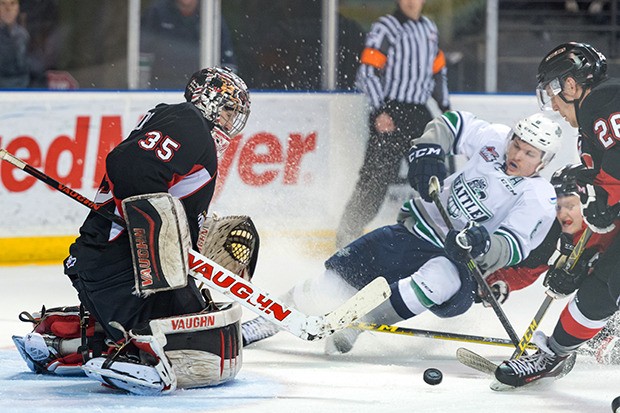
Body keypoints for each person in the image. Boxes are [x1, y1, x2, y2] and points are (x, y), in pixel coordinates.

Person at [12, 67, 253, 395]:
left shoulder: (186, 130)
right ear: (209, 100)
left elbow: (154, 191)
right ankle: (135, 354)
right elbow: (128, 166)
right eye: (228, 110)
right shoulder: (190, 121)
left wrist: (187, 234)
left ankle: (63, 343)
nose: (229, 122)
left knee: (203, 323)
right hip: (120, 271)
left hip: (107, 268)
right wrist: (153, 227)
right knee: (206, 345)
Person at [242, 110, 562, 353]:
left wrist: (481, 244)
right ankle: (266, 319)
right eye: (517, 145)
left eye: (529, 153)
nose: (517, 155)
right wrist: (428, 150)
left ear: (543, 161)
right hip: (416, 230)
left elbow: (513, 245)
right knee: (335, 277)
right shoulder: (496, 138)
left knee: (436, 281)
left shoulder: (539, 196)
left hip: (457, 259)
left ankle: (357, 322)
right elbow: (452, 123)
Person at [494, 42, 620, 388]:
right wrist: (582, 259)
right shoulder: (593, 129)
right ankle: (554, 354)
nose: (552, 103)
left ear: (572, 85)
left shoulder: (605, 101)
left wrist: (602, 201)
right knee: (601, 288)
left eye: (553, 89)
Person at [335, 0, 451, 249]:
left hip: (419, 113)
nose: (411, 2)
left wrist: (445, 108)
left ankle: (445, 239)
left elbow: (437, 72)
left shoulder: (429, 28)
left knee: (436, 178)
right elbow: (367, 71)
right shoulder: (385, 27)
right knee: (375, 180)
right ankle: (346, 237)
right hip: (390, 111)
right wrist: (380, 110)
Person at [482, 164, 620, 364]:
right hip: (605, 291)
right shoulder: (552, 234)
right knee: (590, 296)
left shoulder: (609, 210)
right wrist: (498, 282)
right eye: (558, 206)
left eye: (571, 205)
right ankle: (600, 338)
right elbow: (528, 270)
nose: (563, 214)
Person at [140, 0, 238, 90]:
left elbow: (227, 62)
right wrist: (141, 89)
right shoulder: (157, 11)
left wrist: (224, 91)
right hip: (161, 87)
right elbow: (142, 56)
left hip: (200, 89)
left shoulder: (211, 15)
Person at [0, 0, 43, 88]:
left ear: (18, 8)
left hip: (25, 92)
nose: (8, 9)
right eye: (2, 4)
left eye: (13, 4)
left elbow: (36, 69)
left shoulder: (24, 36)